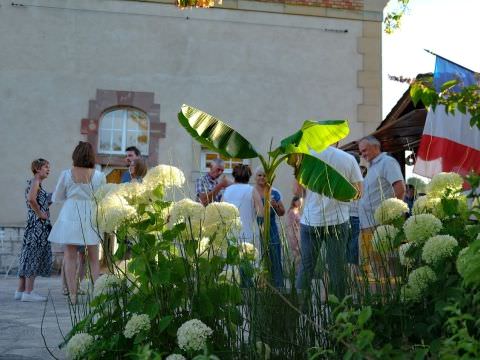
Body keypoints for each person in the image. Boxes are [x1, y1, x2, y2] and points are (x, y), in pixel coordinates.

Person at [295, 146, 363, 299]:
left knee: (306, 266)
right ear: (337, 139)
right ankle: (338, 313)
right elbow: (359, 193)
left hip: (311, 220)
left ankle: (301, 310)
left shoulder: (305, 157)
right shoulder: (349, 159)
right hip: (338, 220)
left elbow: (297, 191)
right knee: (336, 268)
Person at [48, 142, 106, 304]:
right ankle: (97, 294)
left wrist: (72, 196)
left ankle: (72, 295)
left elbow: (57, 196)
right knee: (94, 258)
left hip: (70, 212)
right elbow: (102, 197)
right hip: (90, 213)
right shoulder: (100, 175)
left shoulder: (66, 174)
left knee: (70, 256)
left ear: (75, 155)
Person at [357, 136, 405, 277]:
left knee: (381, 265)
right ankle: (379, 296)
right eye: (361, 152)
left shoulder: (387, 162)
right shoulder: (373, 166)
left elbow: (400, 189)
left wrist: (391, 218)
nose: (363, 155)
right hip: (368, 224)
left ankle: (385, 296)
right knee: (373, 266)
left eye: (364, 150)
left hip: (379, 224)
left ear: (376, 147)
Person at [15, 159, 53, 302]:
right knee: (33, 257)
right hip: (38, 227)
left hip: (33, 226)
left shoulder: (36, 183)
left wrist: (54, 197)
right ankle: (29, 292)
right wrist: (40, 214)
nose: (48, 169)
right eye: (46, 167)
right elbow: (31, 199)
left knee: (27, 256)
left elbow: (40, 201)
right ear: (37, 169)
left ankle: (20, 290)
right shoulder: (35, 182)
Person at [254, 167, 286, 288]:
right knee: (259, 258)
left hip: (272, 229)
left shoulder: (275, 192)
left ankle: (278, 287)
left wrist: (276, 205)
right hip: (256, 229)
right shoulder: (251, 191)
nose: (262, 178)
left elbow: (282, 212)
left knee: (275, 258)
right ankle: (261, 286)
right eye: (259, 175)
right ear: (255, 177)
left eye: (264, 175)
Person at [222, 164, 263, 245]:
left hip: (231, 235)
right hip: (249, 234)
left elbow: (221, 213)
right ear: (249, 176)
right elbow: (261, 213)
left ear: (234, 176)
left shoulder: (226, 190)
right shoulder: (252, 190)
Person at [286, 196, 302, 272]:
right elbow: (291, 225)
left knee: (299, 255)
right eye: (299, 201)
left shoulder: (297, 211)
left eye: (301, 202)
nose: (300, 203)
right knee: (297, 255)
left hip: (298, 234)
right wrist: (293, 238)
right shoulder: (292, 212)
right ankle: (293, 271)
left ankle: (296, 271)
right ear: (294, 202)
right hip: (294, 236)